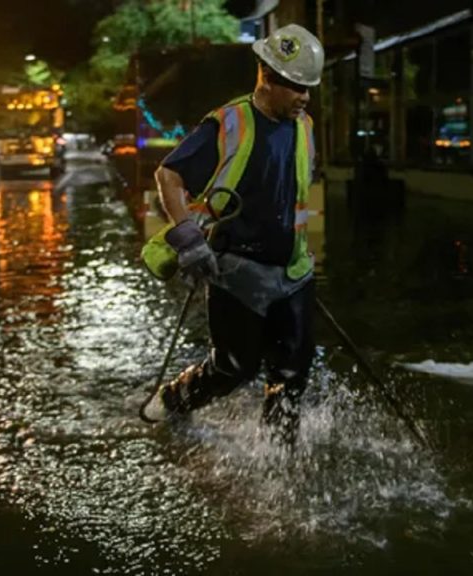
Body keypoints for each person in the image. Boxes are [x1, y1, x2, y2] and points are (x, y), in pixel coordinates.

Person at [147, 24, 325, 445]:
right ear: (266, 76)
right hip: (236, 271)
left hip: (292, 271)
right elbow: (168, 175)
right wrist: (189, 239)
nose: (304, 97)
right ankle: (174, 399)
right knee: (233, 368)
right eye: (296, 86)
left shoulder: (304, 126)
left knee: (293, 370)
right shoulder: (229, 123)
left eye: (309, 88)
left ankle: (278, 455)